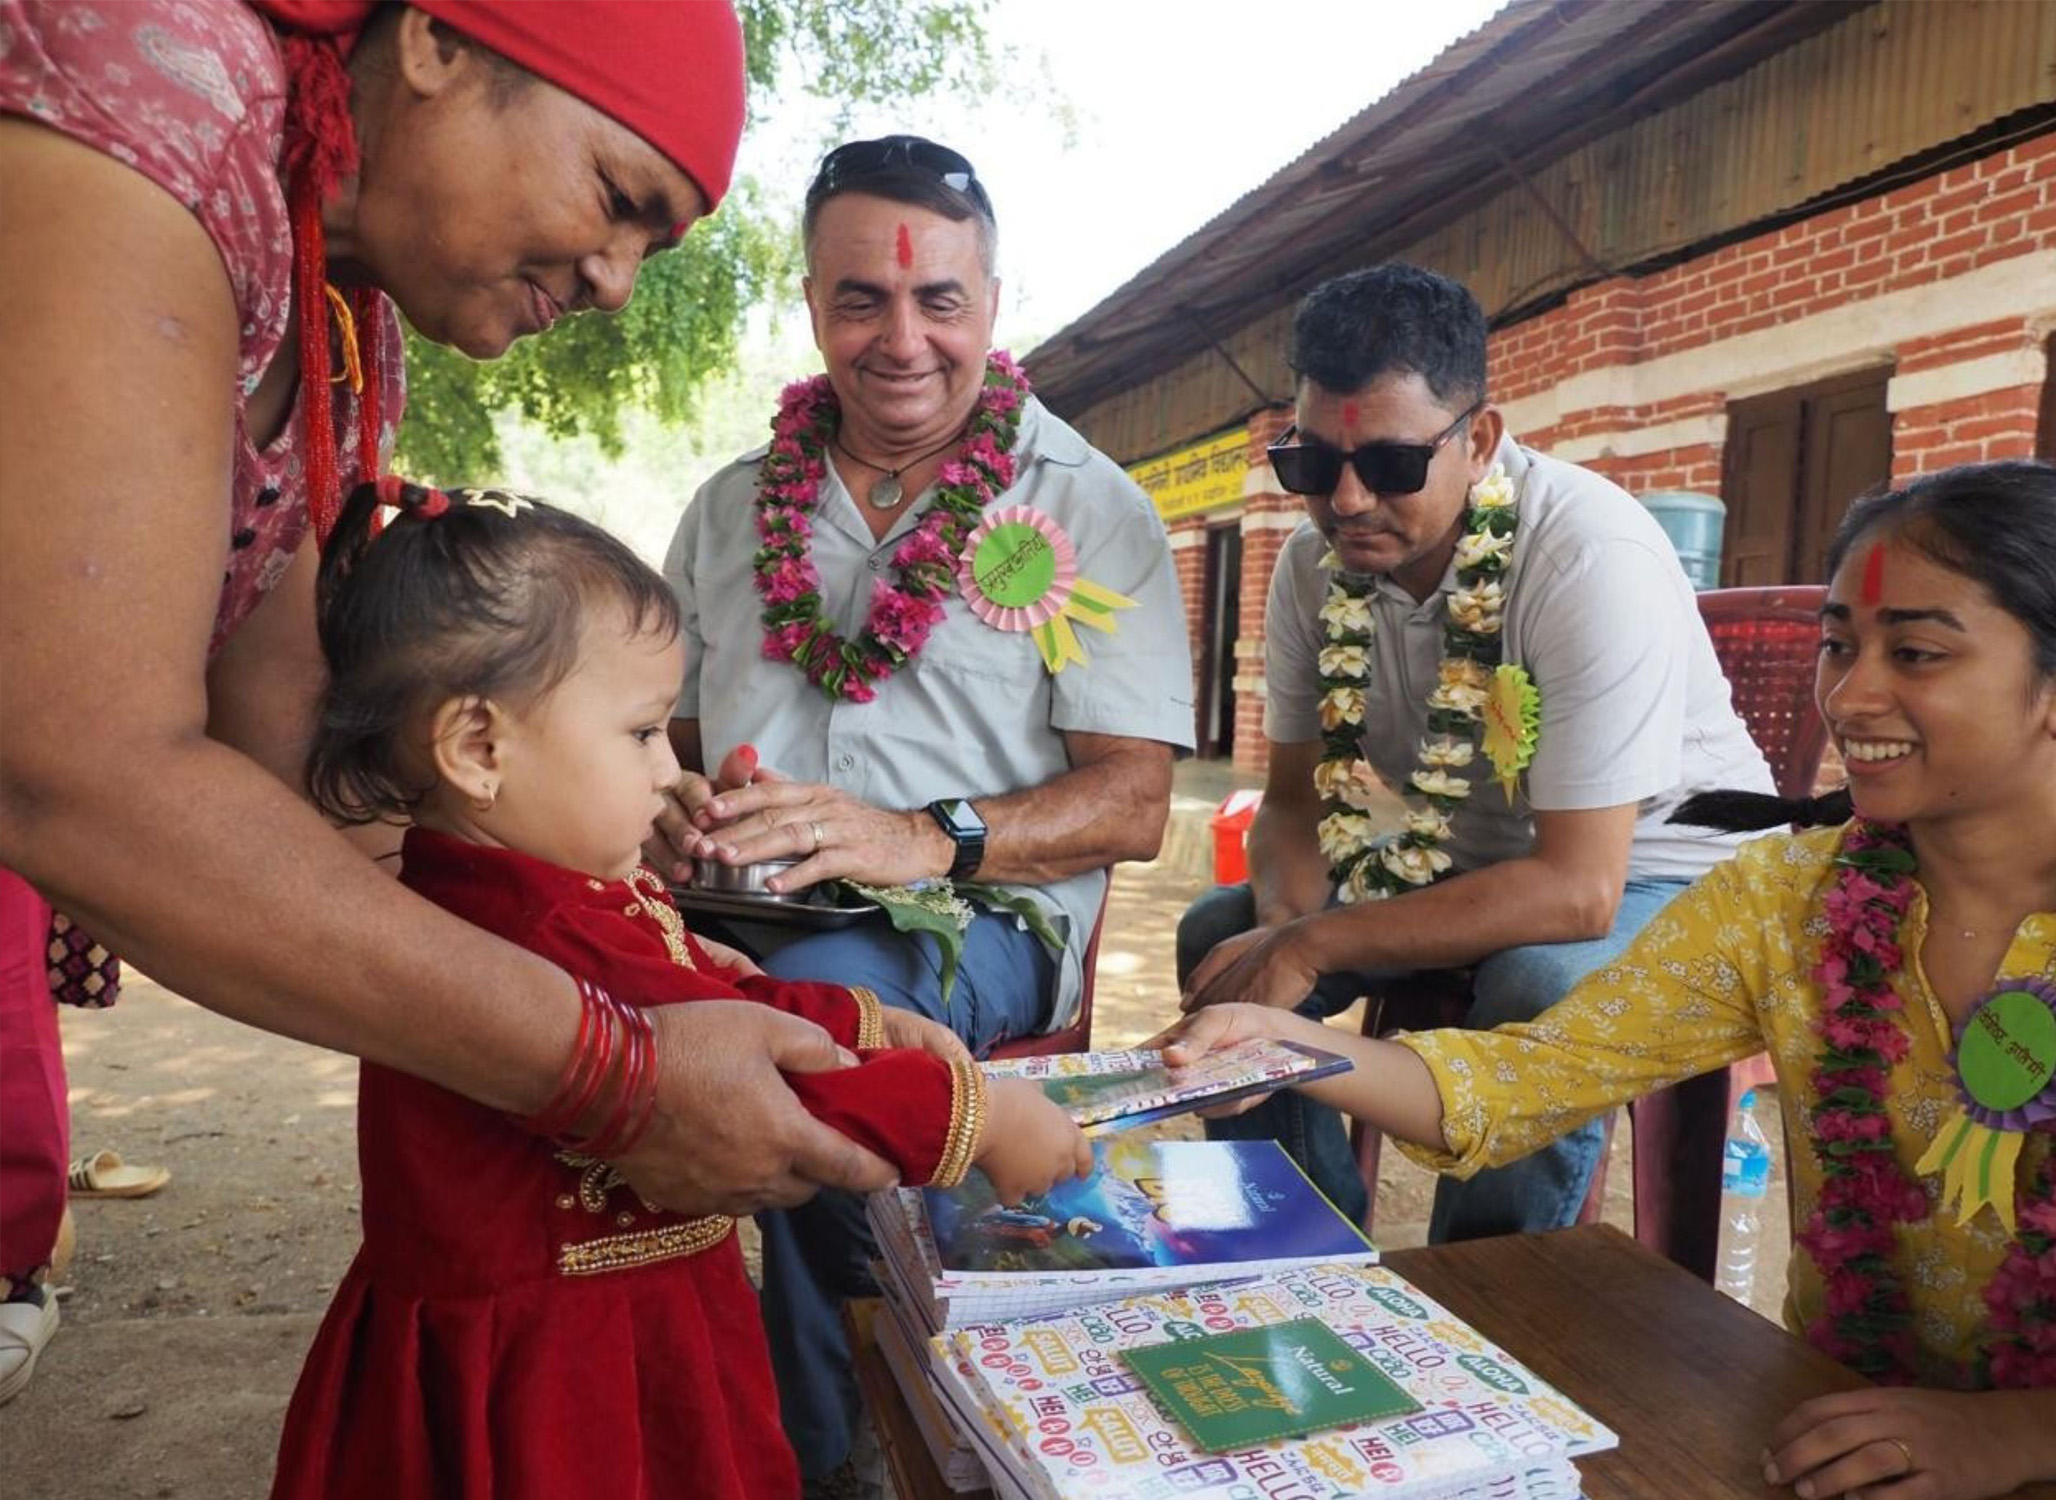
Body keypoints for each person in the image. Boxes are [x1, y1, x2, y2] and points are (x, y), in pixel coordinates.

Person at [0, 0, 893, 1410]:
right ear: (433, 42)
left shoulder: (344, 314)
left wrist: (579, 893)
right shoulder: (163, 82)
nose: (615, 284)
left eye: (650, 249)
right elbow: (77, 765)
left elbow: (307, 785)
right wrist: (618, 1073)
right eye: (617, 200)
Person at [1162, 460, 2056, 1500]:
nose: (1852, 694)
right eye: (1839, 645)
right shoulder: (1787, 901)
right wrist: (1285, 1042)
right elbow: (1531, 1075)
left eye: (1916, 652)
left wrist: (2039, 1437)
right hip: (1839, 1435)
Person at [270, 478, 1091, 1499]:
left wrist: (869, 1020)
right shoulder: (548, 928)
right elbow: (776, 1084)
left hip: (574, 1324)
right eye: (643, 733)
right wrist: (983, 1121)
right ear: (480, 750)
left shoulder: (506, 890)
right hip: (577, 1369)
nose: (672, 772)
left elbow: (722, 1005)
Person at [654, 134, 1195, 1490]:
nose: (902, 339)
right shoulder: (729, 512)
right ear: (813, 305)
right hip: (735, 900)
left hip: (973, 914)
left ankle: (848, 1457)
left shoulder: (1090, 507)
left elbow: (1134, 804)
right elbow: (653, 742)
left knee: (821, 1028)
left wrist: (921, 837)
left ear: (993, 306)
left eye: (938, 299)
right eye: (861, 299)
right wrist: (662, 813)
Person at [1174, 262, 1772, 1230]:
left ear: (1480, 440)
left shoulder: (1586, 555)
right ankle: (1300, 1253)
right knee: (1222, 936)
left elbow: (1580, 890)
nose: (1350, 502)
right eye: (1315, 467)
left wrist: (1315, 941)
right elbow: (1293, 801)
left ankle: (1480, 1299)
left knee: (1535, 982)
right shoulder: (1306, 566)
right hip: (1472, 856)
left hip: (1654, 868)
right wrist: (1282, 940)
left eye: (1394, 466)